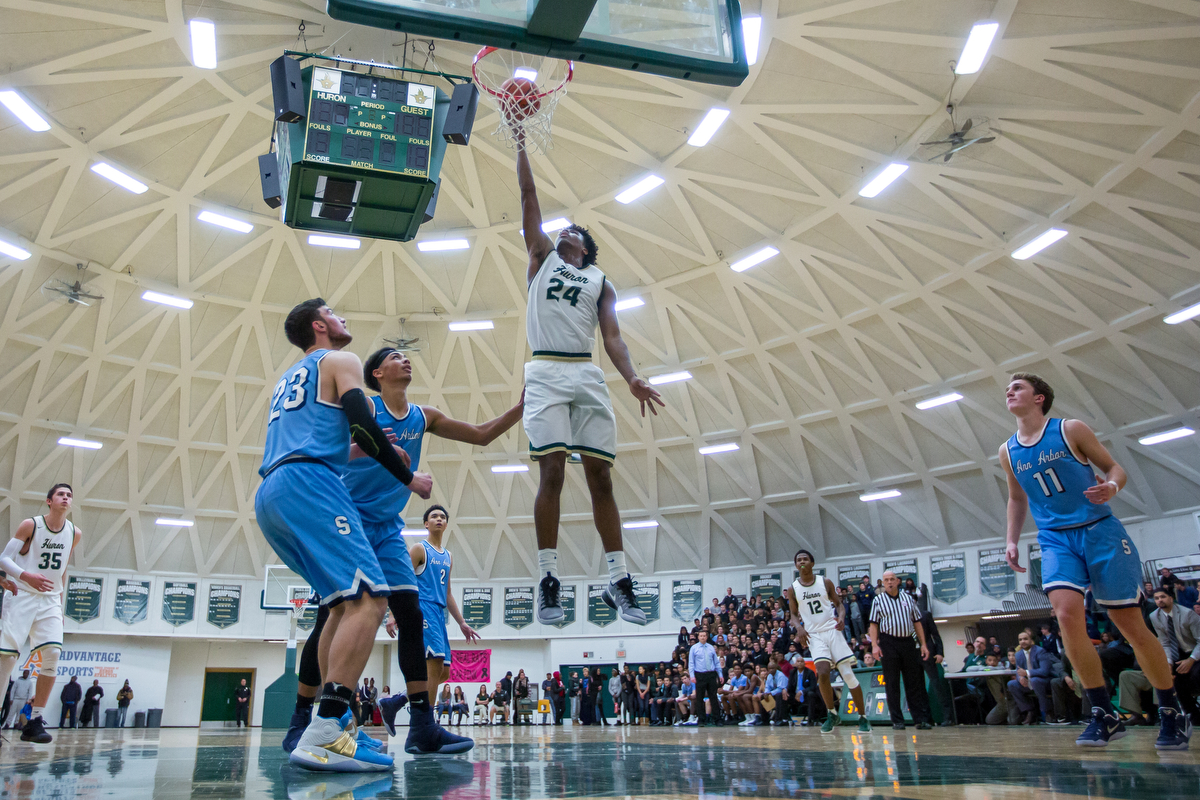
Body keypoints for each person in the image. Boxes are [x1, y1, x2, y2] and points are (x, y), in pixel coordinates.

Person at [256, 300, 432, 772]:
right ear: (319, 326)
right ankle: (327, 728)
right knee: (372, 601)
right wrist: (407, 477)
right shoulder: (341, 360)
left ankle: (335, 728)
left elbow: (335, 440)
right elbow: (362, 419)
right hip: (311, 485)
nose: (344, 319)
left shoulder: (292, 376)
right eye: (334, 313)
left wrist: (362, 450)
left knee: (340, 604)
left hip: (273, 491)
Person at [514, 130, 664, 628]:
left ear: (584, 248)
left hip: (587, 372)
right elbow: (528, 197)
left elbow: (613, 337)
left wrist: (633, 378)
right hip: (546, 369)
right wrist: (520, 143)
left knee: (600, 476)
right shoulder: (541, 256)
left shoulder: (601, 281)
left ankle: (619, 579)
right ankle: (548, 580)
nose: (563, 234)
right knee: (552, 471)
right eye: (561, 232)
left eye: (572, 233)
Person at [1000, 372, 1190, 750]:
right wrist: (1011, 540)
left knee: (1130, 625)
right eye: (1008, 388)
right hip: (1055, 539)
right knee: (1066, 615)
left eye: (1018, 387)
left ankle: (1171, 709)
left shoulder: (1070, 429)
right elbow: (1018, 498)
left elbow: (1115, 468)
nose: (1009, 391)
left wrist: (1112, 487)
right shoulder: (1007, 450)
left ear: (1039, 398)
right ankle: (1103, 712)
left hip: (1099, 530)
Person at [0, 483, 82, 743]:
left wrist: (59, 601)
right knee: (8, 659)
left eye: (69, 495)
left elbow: (63, 570)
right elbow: (4, 559)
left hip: (50, 600)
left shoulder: (74, 532)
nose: (66, 498)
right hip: (22, 594)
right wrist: (25, 576)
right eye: (61, 494)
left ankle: (35, 721)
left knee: (53, 653)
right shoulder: (30, 525)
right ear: (49, 501)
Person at [790, 549, 872, 733]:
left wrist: (841, 617)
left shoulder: (824, 582)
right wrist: (799, 628)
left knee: (848, 675)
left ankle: (863, 717)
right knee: (823, 673)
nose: (802, 562)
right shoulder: (792, 588)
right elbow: (793, 614)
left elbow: (839, 604)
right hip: (814, 635)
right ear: (796, 565)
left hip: (832, 630)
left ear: (812, 563)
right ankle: (832, 713)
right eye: (798, 560)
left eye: (805, 559)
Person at [868, 571, 933, 731]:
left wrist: (923, 644)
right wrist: (875, 646)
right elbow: (873, 624)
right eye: (886, 580)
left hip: (908, 642)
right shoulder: (878, 600)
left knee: (914, 682)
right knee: (892, 682)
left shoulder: (908, 598)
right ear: (882, 583)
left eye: (892, 579)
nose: (889, 582)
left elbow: (917, 622)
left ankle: (920, 719)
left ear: (897, 581)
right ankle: (897, 720)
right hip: (888, 642)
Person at [1149, 587, 1200, 726]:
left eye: (1163, 597)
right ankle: (1192, 713)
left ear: (1171, 598)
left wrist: (1191, 660)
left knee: (1196, 675)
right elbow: (1164, 642)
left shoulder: (1188, 614)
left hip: (1195, 652)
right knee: (1172, 678)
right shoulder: (1154, 616)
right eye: (1157, 598)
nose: (1160, 600)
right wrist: (1168, 662)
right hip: (1177, 653)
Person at [1007, 631, 1054, 724]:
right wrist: (1020, 678)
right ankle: (1029, 711)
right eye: (1020, 640)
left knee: (1035, 680)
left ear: (1031, 640)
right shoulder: (1018, 654)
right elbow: (1018, 671)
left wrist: (1027, 673)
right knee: (1011, 684)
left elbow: (1045, 671)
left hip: (1043, 681)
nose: (1022, 641)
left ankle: (1047, 712)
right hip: (1028, 682)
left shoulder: (1040, 651)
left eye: (1025, 639)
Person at [689, 629, 723, 726]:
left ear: (707, 637)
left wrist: (720, 674)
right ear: (698, 637)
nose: (703, 637)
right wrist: (692, 676)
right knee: (699, 698)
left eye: (704, 636)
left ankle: (717, 719)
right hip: (699, 674)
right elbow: (691, 663)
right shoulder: (694, 648)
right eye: (701, 636)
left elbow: (716, 662)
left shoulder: (711, 647)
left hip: (711, 674)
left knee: (713, 697)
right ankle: (701, 720)